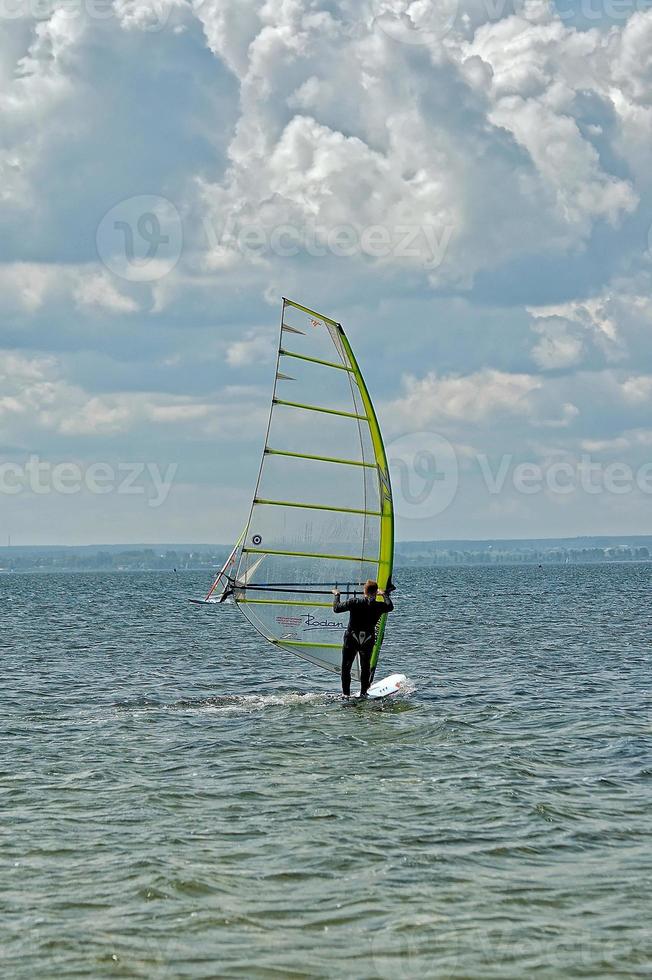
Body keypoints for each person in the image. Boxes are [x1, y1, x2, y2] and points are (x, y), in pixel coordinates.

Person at [332, 579, 394, 698]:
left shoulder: (355, 602)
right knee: (365, 667)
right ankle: (363, 693)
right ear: (376, 592)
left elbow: (336, 609)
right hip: (367, 639)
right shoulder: (379, 606)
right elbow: (390, 606)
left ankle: (346, 695)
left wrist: (337, 595)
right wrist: (384, 594)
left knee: (346, 668)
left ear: (364, 592)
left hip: (352, 638)